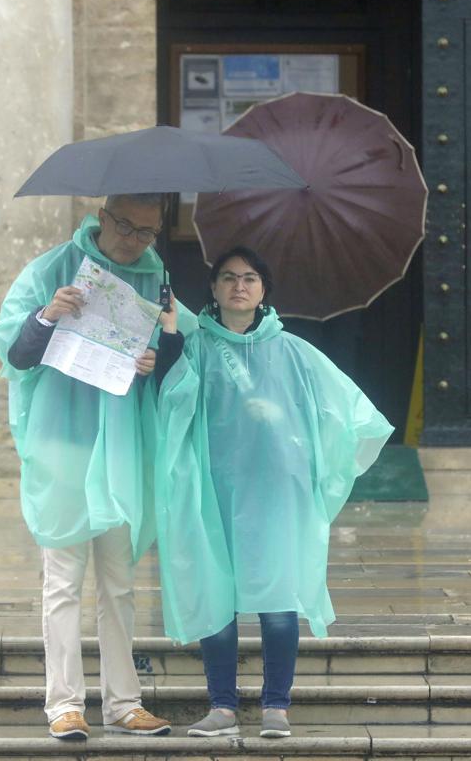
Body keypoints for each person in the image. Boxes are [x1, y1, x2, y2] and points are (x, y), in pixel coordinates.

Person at [153, 246, 394, 739]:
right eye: (227, 278)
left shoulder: (292, 351)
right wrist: (172, 335)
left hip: (276, 492)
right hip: (211, 489)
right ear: (214, 289)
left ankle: (276, 707)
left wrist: (311, 454)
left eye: (249, 278)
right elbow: (171, 399)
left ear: (263, 290)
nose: (238, 286)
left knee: (278, 597)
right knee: (215, 594)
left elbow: (342, 407)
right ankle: (221, 706)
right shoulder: (196, 347)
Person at [0, 193, 192, 740]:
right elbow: (13, 352)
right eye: (125, 226)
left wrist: (160, 357)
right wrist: (48, 314)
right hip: (64, 441)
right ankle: (64, 704)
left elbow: (180, 351)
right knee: (63, 578)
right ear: (101, 217)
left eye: (146, 232)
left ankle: (125, 703)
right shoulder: (52, 269)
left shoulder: (158, 280)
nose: (133, 240)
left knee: (119, 581)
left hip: (122, 445)